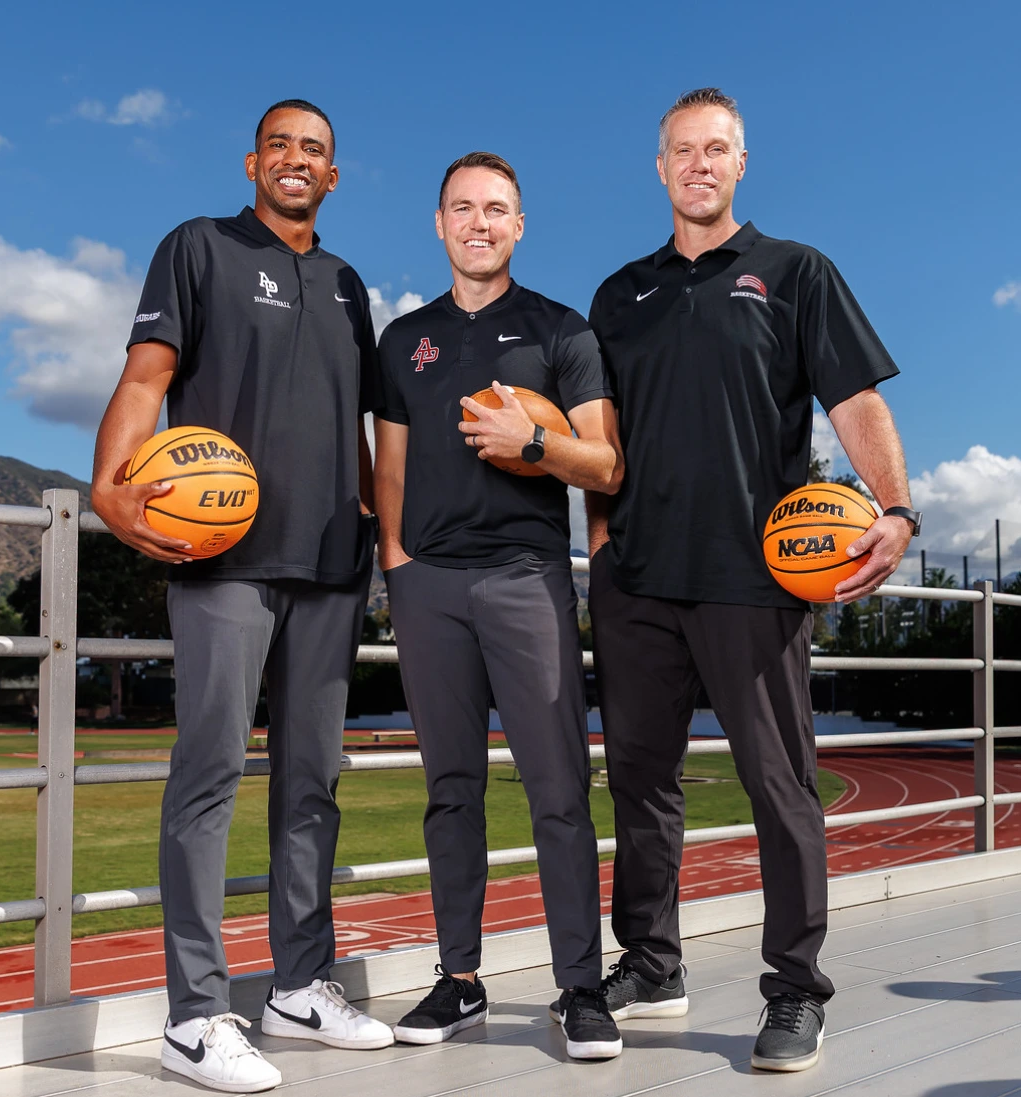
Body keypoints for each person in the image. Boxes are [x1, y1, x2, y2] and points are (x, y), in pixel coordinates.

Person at [585, 88, 920, 1073]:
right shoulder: (618, 295)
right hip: (636, 580)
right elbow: (599, 445)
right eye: (681, 150)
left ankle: (795, 990)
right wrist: (602, 549)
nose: (698, 164)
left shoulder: (794, 272)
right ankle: (649, 965)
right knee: (640, 784)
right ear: (658, 168)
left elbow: (852, 399)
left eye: (715, 149)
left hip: (752, 577)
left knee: (778, 787)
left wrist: (892, 506)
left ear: (740, 164)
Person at [91, 99, 392, 1093]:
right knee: (211, 769)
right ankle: (194, 1010)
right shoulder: (197, 249)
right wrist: (107, 480)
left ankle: (300, 981)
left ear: (332, 175)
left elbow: (353, 426)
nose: (296, 160)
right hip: (223, 559)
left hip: (330, 560)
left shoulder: (348, 285)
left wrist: (372, 532)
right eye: (281, 145)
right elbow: (146, 377)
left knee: (312, 779)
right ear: (253, 159)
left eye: (315, 150)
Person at [373, 152, 627, 1060]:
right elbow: (388, 466)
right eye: (462, 209)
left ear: (520, 226)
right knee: (451, 792)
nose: (479, 223)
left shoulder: (560, 331)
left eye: (497, 210)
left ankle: (580, 988)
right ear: (438, 223)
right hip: (427, 587)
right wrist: (397, 565)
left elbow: (604, 465)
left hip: (526, 579)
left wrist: (535, 441)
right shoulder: (402, 340)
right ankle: (460, 979)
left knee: (559, 791)